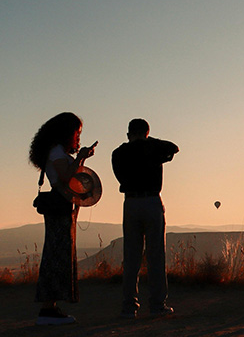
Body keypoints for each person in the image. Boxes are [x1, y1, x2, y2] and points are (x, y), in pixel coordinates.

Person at [28, 112, 96, 325]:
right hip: (60, 207)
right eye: (77, 133)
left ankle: (50, 307)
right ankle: (48, 309)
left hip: (60, 207)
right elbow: (66, 177)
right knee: (56, 256)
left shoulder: (55, 150)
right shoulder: (57, 151)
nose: (78, 137)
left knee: (57, 254)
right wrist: (80, 158)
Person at [111, 119, 179, 318]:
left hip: (130, 203)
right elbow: (174, 148)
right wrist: (148, 140)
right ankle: (157, 304)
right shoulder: (154, 148)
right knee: (155, 255)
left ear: (128, 133)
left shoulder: (118, 153)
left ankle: (129, 307)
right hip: (151, 201)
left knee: (131, 256)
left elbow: (120, 177)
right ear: (147, 132)